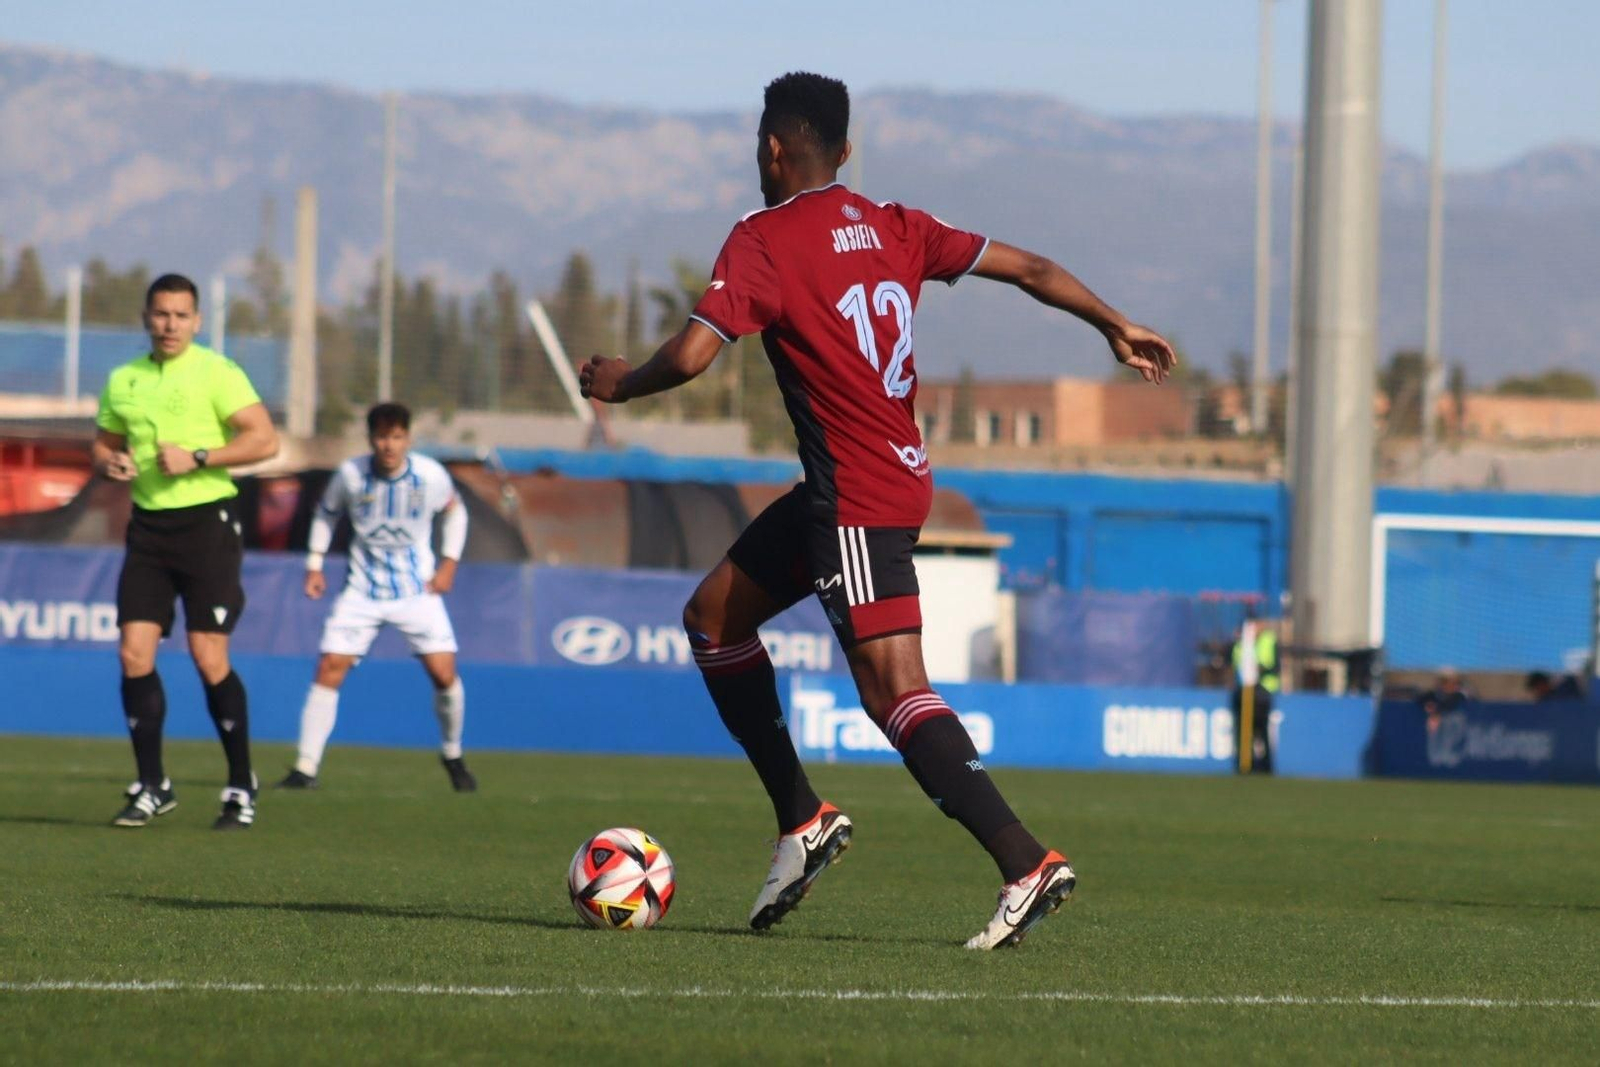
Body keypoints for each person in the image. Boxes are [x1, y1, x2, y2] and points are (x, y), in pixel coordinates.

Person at [580, 72, 1175, 949]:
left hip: (855, 497)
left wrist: (623, 384)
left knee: (893, 688)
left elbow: (698, 353)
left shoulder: (763, 238)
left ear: (774, 150)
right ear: (846, 152)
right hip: (877, 479)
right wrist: (1112, 323)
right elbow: (1034, 269)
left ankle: (1023, 860)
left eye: (758, 147)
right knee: (712, 619)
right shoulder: (898, 225)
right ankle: (801, 818)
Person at [93, 273, 280, 830]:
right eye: (160, 314)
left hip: (208, 526)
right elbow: (104, 440)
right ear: (146, 317)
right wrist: (110, 461)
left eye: (180, 315)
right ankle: (153, 785)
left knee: (208, 655)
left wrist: (199, 456)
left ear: (197, 321)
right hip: (148, 528)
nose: (169, 324)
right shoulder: (123, 378)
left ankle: (240, 784)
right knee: (133, 654)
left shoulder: (216, 372)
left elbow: (264, 440)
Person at [274, 402, 476, 792]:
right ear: (371, 439)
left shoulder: (430, 476)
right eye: (382, 436)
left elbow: (455, 513)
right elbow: (326, 514)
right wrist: (314, 565)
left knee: (443, 674)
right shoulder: (351, 475)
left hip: (417, 591)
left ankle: (452, 754)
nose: (389, 445)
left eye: (397, 436)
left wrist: (449, 564)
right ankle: (305, 768)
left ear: (408, 439)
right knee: (330, 666)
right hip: (362, 592)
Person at [1230, 609, 1279, 774]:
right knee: (1244, 730)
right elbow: (1235, 664)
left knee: (1262, 730)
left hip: (1263, 692)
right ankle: (1245, 763)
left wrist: (1258, 669)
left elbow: (1273, 666)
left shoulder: (1269, 640)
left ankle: (1266, 766)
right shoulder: (1241, 643)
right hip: (1244, 690)